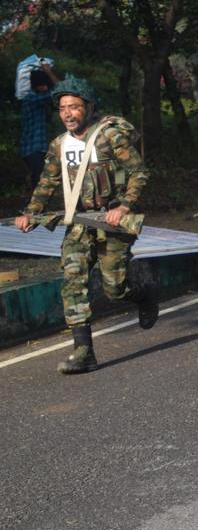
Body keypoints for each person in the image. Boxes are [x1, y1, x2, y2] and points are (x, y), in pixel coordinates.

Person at [14, 75, 158, 374]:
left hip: (112, 221)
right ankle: (84, 352)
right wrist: (30, 212)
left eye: (75, 107)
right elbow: (48, 181)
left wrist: (124, 205)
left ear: (89, 108)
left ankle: (144, 295)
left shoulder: (109, 138)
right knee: (73, 281)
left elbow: (139, 173)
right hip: (79, 223)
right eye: (63, 108)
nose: (68, 113)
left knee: (114, 289)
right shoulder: (58, 145)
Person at [20, 62, 60, 188]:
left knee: (40, 177)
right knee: (39, 178)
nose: (45, 88)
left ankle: (36, 205)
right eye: (43, 85)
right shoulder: (31, 98)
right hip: (33, 148)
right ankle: (35, 206)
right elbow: (60, 88)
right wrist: (48, 72)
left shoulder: (39, 101)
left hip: (38, 148)